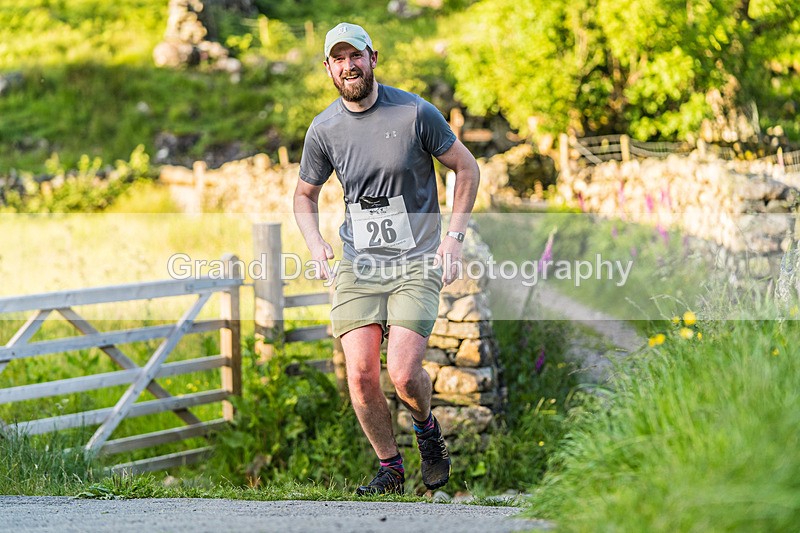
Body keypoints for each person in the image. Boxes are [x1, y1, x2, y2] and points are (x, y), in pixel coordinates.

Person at [293, 22, 480, 495]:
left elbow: (467, 168)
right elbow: (304, 195)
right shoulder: (324, 129)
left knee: (401, 372)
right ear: (328, 68)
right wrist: (316, 245)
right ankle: (390, 468)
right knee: (359, 373)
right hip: (359, 261)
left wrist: (453, 238)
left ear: (372, 58)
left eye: (355, 56)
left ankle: (426, 429)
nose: (348, 66)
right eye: (338, 59)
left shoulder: (416, 112)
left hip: (416, 259)